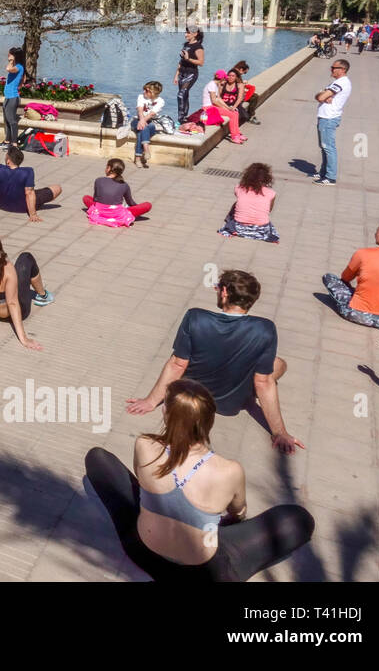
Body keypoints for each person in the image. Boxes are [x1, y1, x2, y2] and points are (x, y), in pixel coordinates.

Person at [86, 380, 315, 581]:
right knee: (297, 520)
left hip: (143, 550)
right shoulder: (229, 470)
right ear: (209, 420)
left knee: (98, 458)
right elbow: (238, 513)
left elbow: (142, 482)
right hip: (204, 574)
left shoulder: (144, 444)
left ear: (167, 413)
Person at [126, 270, 301, 454]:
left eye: (218, 288)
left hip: (192, 395)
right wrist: (280, 432)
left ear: (225, 292)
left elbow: (178, 364)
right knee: (278, 364)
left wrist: (151, 401)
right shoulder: (265, 329)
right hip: (230, 404)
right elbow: (263, 381)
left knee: (277, 362)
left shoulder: (195, 318)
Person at [322, 219, 379, 330]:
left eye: (377, 231)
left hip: (355, 314)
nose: (375, 233)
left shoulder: (362, 253)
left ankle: (359, 298)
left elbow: (345, 278)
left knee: (329, 278)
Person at [0, 146, 61, 223]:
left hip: (3, 205)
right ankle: (35, 203)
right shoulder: (28, 172)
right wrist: (33, 214)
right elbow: (29, 193)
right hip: (23, 207)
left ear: (8, 160)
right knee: (57, 188)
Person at [218, 162, 278, 242]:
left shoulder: (239, 188)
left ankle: (230, 220)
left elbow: (239, 198)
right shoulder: (271, 193)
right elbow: (269, 210)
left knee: (236, 204)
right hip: (261, 229)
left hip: (239, 227)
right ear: (267, 178)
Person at [82, 158, 152, 227]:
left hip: (99, 212)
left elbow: (95, 199)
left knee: (86, 198)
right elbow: (130, 202)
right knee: (147, 205)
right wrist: (137, 207)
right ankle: (123, 212)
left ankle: (104, 212)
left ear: (108, 168)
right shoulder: (124, 185)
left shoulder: (98, 180)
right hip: (116, 214)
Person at [314, 58, 350, 185]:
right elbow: (319, 95)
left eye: (334, 68)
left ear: (342, 70)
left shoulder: (340, 83)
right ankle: (323, 173)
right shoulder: (338, 82)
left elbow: (320, 97)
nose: (331, 70)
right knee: (324, 147)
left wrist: (323, 95)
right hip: (325, 117)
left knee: (328, 147)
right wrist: (322, 95)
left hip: (329, 118)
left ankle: (330, 177)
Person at [195, 70, 245, 144]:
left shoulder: (215, 85)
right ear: (222, 79)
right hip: (208, 109)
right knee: (232, 114)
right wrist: (226, 109)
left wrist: (228, 108)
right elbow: (214, 101)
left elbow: (219, 98)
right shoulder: (212, 85)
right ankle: (234, 137)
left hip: (212, 107)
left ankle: (237, 134)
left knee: (235, 112)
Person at [172, 28, 204, 123]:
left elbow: (201, 62)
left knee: (181, 95)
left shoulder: (198, 47)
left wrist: (188, 58)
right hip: (182, 73)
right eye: (185, 32)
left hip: (191, 73)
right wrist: (176, 75)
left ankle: (181, 119)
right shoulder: (186, 45)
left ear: (195, 34)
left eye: (188, 33)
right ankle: (184, 118)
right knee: (184, 95)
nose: (186, 35)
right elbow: (181, 61)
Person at [0, 47, 25, 149]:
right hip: (8, 97)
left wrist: (11, 61)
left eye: (10, 54)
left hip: (13, 98)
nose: (8, 55)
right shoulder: (17, 66)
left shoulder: (19, 67)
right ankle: (7, 141)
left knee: (12, 121)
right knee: (7, 120)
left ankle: (14, 144)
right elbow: (22, 80)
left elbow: (8, 69)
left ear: (15, 56)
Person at [132, 81, 164, 168]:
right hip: (137, 120)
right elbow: (140, 110)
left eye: (146, 90)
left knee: (143, 129)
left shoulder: (160, 101)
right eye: (144, 90)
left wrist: (142, 122)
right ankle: (146, 149)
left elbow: (151, 115)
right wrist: (141, 120)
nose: (144, 92)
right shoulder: (141, 97)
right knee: (143, 128)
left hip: (150, 121)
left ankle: (138, 158)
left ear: (152, 93)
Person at [230, 61, 260, 125]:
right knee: (255, 97)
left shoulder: (236, 73)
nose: (244, 74)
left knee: (255, 96)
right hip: (235, 95)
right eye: (245, 72)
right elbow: (233, 86)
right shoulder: (234, 74)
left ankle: (250, 115)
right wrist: (242, 84)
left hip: (238, 92)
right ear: (241, 69)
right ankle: (250, 116)